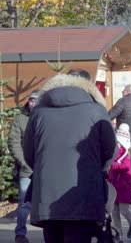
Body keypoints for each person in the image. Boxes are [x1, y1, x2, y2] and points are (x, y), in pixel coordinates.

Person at [23, 69, 117, 243]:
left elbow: (29, 153)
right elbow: (110, 151)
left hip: (47, 194)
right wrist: (96, 170)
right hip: (85, 191)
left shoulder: (39, 112)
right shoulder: (96, 110)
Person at [8, 90, 40, 243]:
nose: (34, 103)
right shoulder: (20, 119)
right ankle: (20, 233)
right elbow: (14, 142)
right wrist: (24, 162)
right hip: (27, 169)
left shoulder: (45, 118)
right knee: (24, 203)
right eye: (32, 100)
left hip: (44, 169)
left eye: (37, 100)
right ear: (29, 102)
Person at [108, 123, 131, 242]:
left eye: (118, 143)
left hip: (123, 188)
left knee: (124, 210)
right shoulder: (114, 155)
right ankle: (119, 235)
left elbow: (125, 167)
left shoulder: (126, 156)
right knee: (114, 212)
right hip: (114, 187)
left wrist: (112, 165)